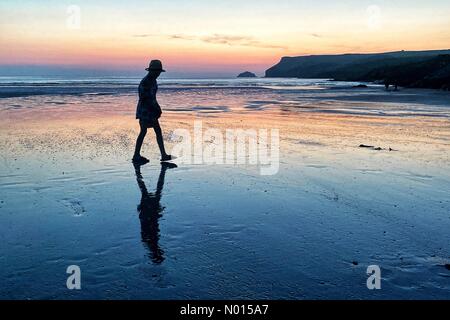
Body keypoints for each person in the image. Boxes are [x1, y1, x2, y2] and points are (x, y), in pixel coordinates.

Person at [134, 161, 177, 264]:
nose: (162, 251)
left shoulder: (150, 242)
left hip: (148, 213)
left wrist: (156, 214)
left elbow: (150, 226)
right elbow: (152, 226)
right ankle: (140, 171)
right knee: (151, 191)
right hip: (148, 214)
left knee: (152, 191)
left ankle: (139, 170)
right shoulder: (150, 242)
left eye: (161, 253)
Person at [133, 60, 172, 164]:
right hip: (146, 110)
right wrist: (156, 108)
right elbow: (146, 98)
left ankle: (162, 154)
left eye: (159, 72)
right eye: (158, 71)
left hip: (150, 109)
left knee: (154, 131)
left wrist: (157, 107)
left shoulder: (153, 80)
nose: (159, 74)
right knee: (144, 131)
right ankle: (137, 155)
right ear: (153, 71)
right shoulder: (146, 82)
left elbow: (153, 97)